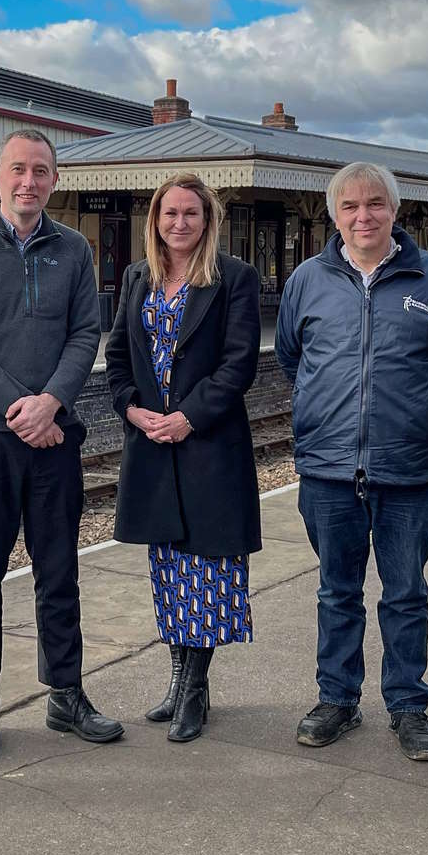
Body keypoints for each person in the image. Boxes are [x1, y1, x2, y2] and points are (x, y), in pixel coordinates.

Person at [0, 128, 122, 758]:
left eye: (41, 171)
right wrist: (21, 407)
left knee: (58, 569)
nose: (29, 182)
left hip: (54, 435)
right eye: (18, 169)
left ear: (55, 180)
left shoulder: (73, 250)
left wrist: (51, 405)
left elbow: (85, 332)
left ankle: (65, 694)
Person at [276, 161, 428, 762]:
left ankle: (408, 707)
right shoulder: (308, 279)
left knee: (406, 593)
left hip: (407, 469)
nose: (364, 216)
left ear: (394, 211)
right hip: (328, 469)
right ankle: (338, 699)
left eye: (375, 204)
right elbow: (293, 358)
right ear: (335, 215)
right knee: (336, 593)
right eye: (351, 207)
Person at [104, 173, 261, 742]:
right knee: (170, 573)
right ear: (155, 220)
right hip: (151, 448)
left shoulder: (234, 280)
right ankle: (177, 679)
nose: (179, 223)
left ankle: (194, 689)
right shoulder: (137, 278)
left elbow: (238, 364)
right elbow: (118, 357)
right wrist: (132, 411)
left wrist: (189, 416)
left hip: (209, 446)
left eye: (190, 213)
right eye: (169, 214)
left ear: (207, 219)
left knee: (210, 574)